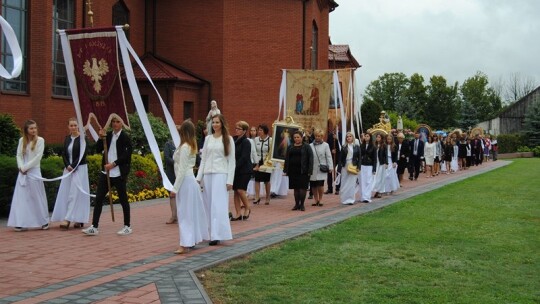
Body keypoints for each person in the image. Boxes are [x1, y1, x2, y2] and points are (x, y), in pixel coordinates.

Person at [82, 116, 133, 236]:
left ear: (122, 123)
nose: (115, 124)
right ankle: (94, 226)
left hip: (119, 173)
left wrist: (114, 164)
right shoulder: (108, 135)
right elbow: (98, 149)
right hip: (106, 173)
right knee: (99, 198)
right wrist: (101, 138)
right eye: (113, 122)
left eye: (118, 122)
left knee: (123, 199)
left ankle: (127, 226)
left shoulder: (125, 137)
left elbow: (127, 155)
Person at [171, 120, 209, 254]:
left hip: (185, 182)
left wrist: (175, 188)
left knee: (184, 213)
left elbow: (181, 170)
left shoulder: (185, 147)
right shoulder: (189, 145)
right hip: (188, 181)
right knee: (189, 213)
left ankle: (185, 243)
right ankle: (190, 240)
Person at [197, 114, 235, 246]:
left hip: (221, 174)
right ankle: (210, 232)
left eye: (217, 122)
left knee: (218, 205)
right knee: (208, 204)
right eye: (213, 123)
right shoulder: (208, 139)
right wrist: (198, 178)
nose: (214, 125)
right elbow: (204, 159)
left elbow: (232, 161)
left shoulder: (228, 139)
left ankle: (217, 234)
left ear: (222, 124)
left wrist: (230, 180)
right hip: (208, 174)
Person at [8, 120, 49, 231]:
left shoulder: (40, 140)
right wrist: (21, 167)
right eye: (31, 128)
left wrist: (25, 168)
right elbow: (19, 155)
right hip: (23, 173)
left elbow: (38, 158)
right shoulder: (22, 140)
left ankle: (43, 221)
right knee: (21, 198)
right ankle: (20, 222)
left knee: (37, 197)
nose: (33, 130)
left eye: (35, 128)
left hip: (34, 172)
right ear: (26, 130)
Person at [51, 118, 90, 229]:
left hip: (80, 169)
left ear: (78, 126)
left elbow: (83, 154)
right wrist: (67, 165)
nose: (73, 127)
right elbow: (64, 153)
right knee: (67, 192)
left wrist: (74, 165)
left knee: (76, 193)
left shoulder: (83, 138)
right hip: (68, 170)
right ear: (68, 126)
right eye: (71, 125)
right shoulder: (67, 138)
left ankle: (70, 219)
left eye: (75, 125)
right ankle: (72, 217)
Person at [283, 130, 313, 211]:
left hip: (303, 170)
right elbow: (287, 159)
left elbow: (311, 159)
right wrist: (285, 170)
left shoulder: (307, 146)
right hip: (293, 170)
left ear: (301, 137)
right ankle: (296, 204)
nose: (296, 139)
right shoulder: (290, 147)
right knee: (295, 188)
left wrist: (310, 170)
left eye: (298, 137)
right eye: (295, 137)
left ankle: (302, 204)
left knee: (302, 188)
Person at [231, 121, 253, 221]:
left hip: (244, 169)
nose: (236, 130)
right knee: (235, 191)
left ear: (244, 131)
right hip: (235, 169)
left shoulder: (246, 142)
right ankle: (238, 213)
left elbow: (244, 157)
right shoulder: (233, 140)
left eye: (239, 129)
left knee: (240, 190)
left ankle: (248, 207)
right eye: (236, 128)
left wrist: (234, 166)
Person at [309, 128, 333, 207]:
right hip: (312, 168)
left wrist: (330, 167)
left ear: (322, 136)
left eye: (319, 136)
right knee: (313, 185)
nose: (317, 137)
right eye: (316, 136)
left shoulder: (326, 145)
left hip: (321, 167)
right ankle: (316, 200)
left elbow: (329, 156)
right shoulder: (310, 145)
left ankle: (321, 199)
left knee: (320, 184)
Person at [338, 132, 360, 205]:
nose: (349, 138)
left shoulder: (356, 146)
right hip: (345, 166)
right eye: (347, 137)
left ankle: (351, 199)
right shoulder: (344, 147)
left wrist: (359, 167)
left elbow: (359, 158)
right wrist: (339, 168)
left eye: (350, 136)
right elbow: (340, 158)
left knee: (352, 183)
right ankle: (344, 199)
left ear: (352, 137)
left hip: (353, 165)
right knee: (344, 182)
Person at [253, 124, 272, 205]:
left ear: (265, 131)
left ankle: (268, 197)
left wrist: (268, 161)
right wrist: (256, 162)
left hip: (267, 162)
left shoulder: (270, 140)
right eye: (259, 130)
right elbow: (253, 152)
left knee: (266, 180)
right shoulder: (255, 140)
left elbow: (271, 152)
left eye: (261, 130)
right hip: (257, 162)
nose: (259, 132)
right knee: (257, 179)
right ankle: (257, 197)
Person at [163, 135, 178, 224]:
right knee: (172, 195)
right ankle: (174, 216)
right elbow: (167, 158)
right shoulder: (168, 144)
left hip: (181, 173)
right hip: (171, 173)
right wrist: (178, 163)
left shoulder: (184, 143)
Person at [359, 133, 376, 203]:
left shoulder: (373, 147)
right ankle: (363, 196)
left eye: (368, 136)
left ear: (370, 137)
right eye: (365, 136)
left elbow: (375, 159)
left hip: (369, 165)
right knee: (362, 181)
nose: (366, 137)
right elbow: (359, 156)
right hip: (362, 165)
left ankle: (367, 196)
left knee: (368, 181)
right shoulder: (361, 146)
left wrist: (374, 169)